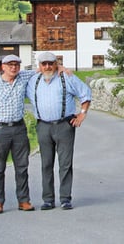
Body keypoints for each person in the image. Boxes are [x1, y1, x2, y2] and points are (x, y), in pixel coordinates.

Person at [26, 51, 92, 211]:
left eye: (51, 63)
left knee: (65, 163)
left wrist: (82, 115)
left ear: (56, 63)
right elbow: (12, 74)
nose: (48, 66)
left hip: (64, 125)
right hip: (43, 126)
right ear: (39, 66)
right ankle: (48, 199)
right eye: (44, 64)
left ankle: (65, 198)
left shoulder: (66, 77)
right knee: (46, 164)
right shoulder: (32, 80)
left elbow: (85, 93)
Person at [0, 54, 36, 215]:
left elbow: (42, 69)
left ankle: (24, 200)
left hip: (19, 128)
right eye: (10, 65)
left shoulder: (23, 77)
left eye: (17, 64)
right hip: (0, 129)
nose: (14, 67)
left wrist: (61, 67)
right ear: (2, 67)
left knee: (22, 167)